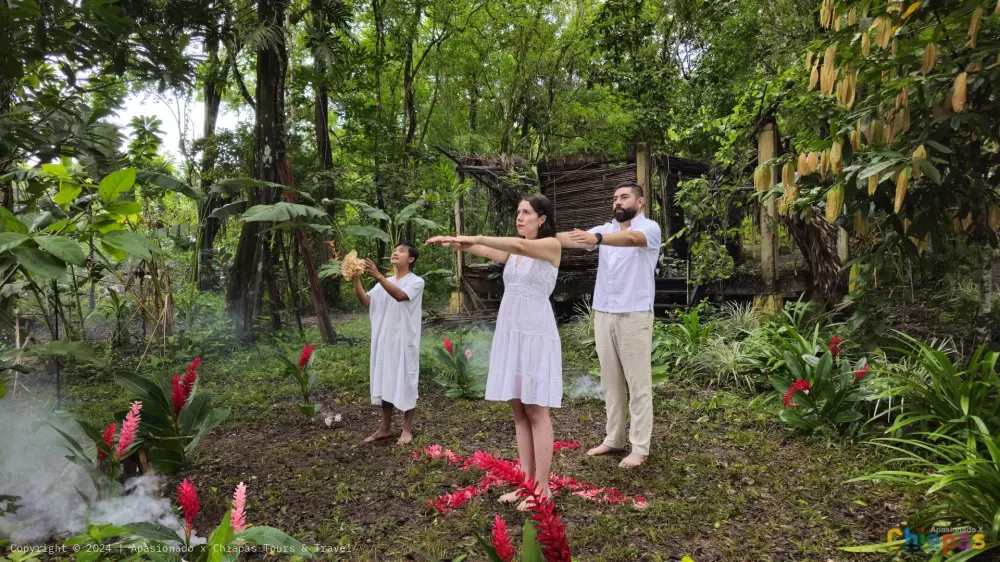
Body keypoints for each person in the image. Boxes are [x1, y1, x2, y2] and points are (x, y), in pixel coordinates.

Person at [425, 195, 562, 510]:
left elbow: (520, 246)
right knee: (519, 410)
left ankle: (543, 490)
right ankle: (526, 483)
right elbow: (486, 250)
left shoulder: (551, 246)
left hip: (535, 334)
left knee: (536, 411)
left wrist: (475, 237)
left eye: (526, 212)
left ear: (542, 219)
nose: (520, 217)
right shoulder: (514, 253)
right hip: (511, 331)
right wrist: (458, 242)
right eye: (518, 212)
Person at [557, 181, 661, 468]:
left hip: (634, 314)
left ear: (640, 202)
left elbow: (630, 240)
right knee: (611, 382)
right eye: (615, 197)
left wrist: (598, 239)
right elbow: (570, 239)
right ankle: (614, 439)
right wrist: (534, 237)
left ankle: (640, 447)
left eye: (624, 196)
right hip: (603, 313)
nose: (618, 201)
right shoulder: (605, 230)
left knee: (638, 384)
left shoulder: (649, 228)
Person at [351, 242, 425, 445]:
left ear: (411, 259)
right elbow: (365, 301)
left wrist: (378, 276)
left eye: (401, 251)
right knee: (386, 380)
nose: (395, 252)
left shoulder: (416, 281)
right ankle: (384, 428)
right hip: (384, 340)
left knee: (407, 379)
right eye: (395, 250)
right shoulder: (386, 281)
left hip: (404, 340)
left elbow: (400, 296)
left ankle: (407, 429)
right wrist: (356, 278)